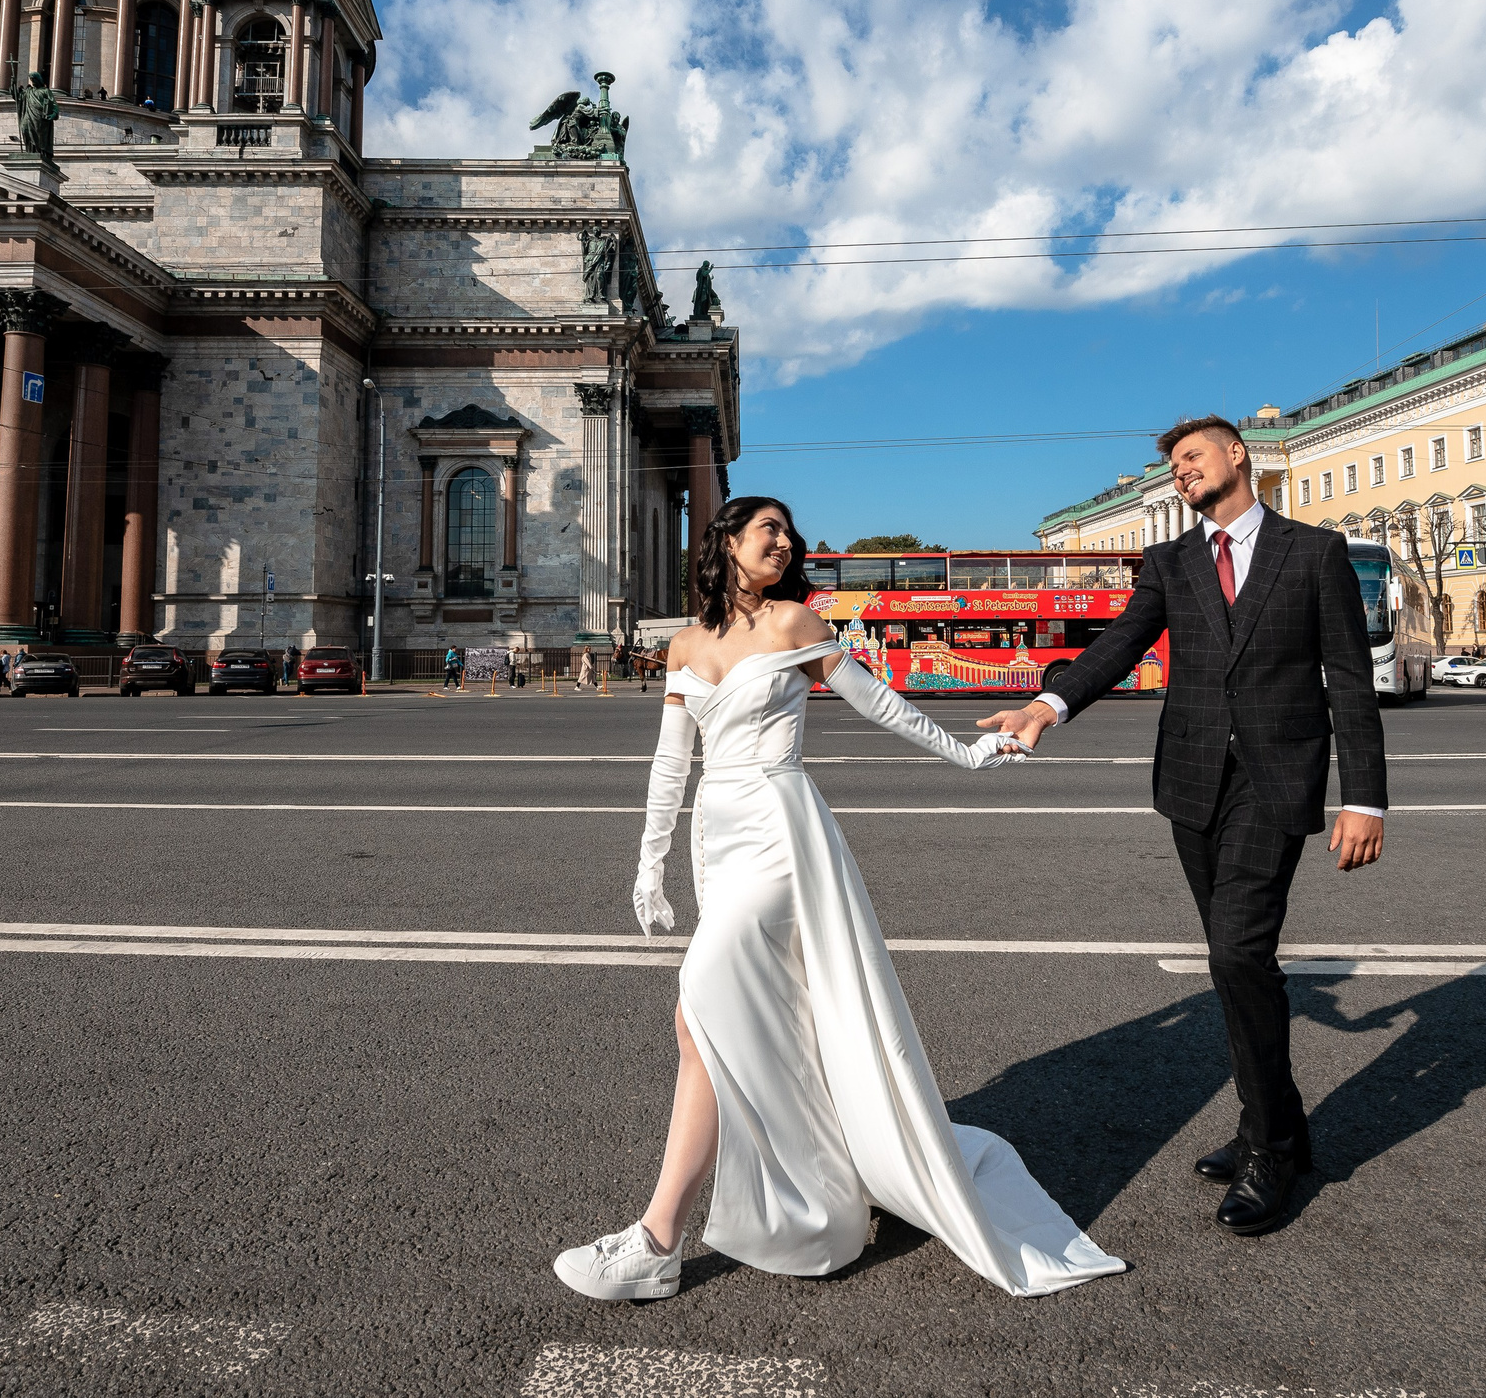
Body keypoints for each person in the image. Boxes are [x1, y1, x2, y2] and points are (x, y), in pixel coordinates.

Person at [553, 496, 1122, 1303]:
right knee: (716, 1024)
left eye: (789, 534)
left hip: (782, 833)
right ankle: (807, 1191)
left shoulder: (797, 624)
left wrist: (969, 754)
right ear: (725, 542)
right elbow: (670, 768)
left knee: (701, 1010)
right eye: (767, 530)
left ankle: (657, 1237)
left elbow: (882, 704)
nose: (784, 543)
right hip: (720, 836)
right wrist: (649, 868)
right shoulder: (685, 642)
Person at [982, 414, 1388, 1238]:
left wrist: (1365, 797)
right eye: (1171, 465)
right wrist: (1048, 704)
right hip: (1192, 786)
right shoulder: (1170, 559)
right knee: (1238, 964)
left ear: (1239, 454)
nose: (1180, 471)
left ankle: (1271, 1148)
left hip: (1276, 782)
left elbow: (1348, 676)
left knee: (1238, 952)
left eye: (1191, 455)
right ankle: (1271, 1119)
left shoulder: (1312, 551)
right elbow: (1122, 643)